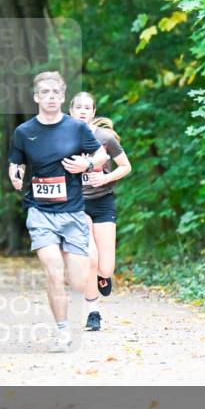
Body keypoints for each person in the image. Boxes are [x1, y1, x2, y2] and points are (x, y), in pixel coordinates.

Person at [7, 71, 108, 350]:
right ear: (36, 97)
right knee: (53, 270)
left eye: (56, 93)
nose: (50, 97)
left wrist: (87, 166)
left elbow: (101, 155)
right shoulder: (24, 132)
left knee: (77, 280)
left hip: (73, 212)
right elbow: (16, 162)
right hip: (40, 212)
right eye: (45, 93)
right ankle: (63, 331)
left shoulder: (76, 128)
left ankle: (78, 296)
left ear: (63, 98)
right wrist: (15, 174)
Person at [69, 92, 132, 331]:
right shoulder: (63, 139)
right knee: (90, 258)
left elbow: (126, 167)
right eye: (78, 107)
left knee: (105, 267)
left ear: (93, 112)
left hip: (104, 202)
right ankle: (93, 312)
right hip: (77, 205)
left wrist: (106, 177)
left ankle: (100, 276)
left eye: (87, 108)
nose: (83, 111)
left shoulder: (105, 138)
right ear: (71, 112)